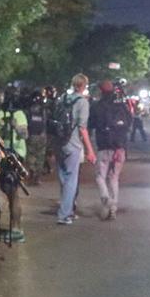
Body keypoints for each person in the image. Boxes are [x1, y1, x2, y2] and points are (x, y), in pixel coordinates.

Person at [0, 83, 28, 242]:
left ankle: (16, 228)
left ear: (2, 97)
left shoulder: (17, 114)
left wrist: (14, 126)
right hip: (0, 155)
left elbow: (24, 134)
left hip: (14, 156)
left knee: (13, 192)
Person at [54, 73, 96, 224]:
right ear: (84, 85)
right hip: (73, 143)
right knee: (71, 179)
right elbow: (82, 128)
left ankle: (68, 209)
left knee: (63, 178)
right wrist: (90, 150)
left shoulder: (62, 99)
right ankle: (64, 214)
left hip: (58, 142)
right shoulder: (83, 102)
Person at [90, 79, 132, 220]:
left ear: (101, 91)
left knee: (100, 176)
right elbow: (129, 123)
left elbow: (91, 124)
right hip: (120, 147)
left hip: (104, 145)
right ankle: (113, 208)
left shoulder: (97, 106)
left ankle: (106, 198)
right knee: (114, 177)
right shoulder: (122, 106)